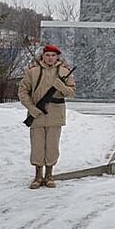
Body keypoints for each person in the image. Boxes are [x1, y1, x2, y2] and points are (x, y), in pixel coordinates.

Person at [18, 45, 76, 189]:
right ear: (43, 56)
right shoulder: (33, 71)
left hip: (56, 115)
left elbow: (71, 92)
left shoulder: (64, 72)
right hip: (36, 114)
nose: (50, 58)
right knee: (37, 146)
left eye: (53, 55)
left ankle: (49, 175)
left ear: (58, 57)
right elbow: (23, 91)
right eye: (47, 55)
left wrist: (61, 87)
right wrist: (31, 108)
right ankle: (38, 176)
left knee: (52, 146)